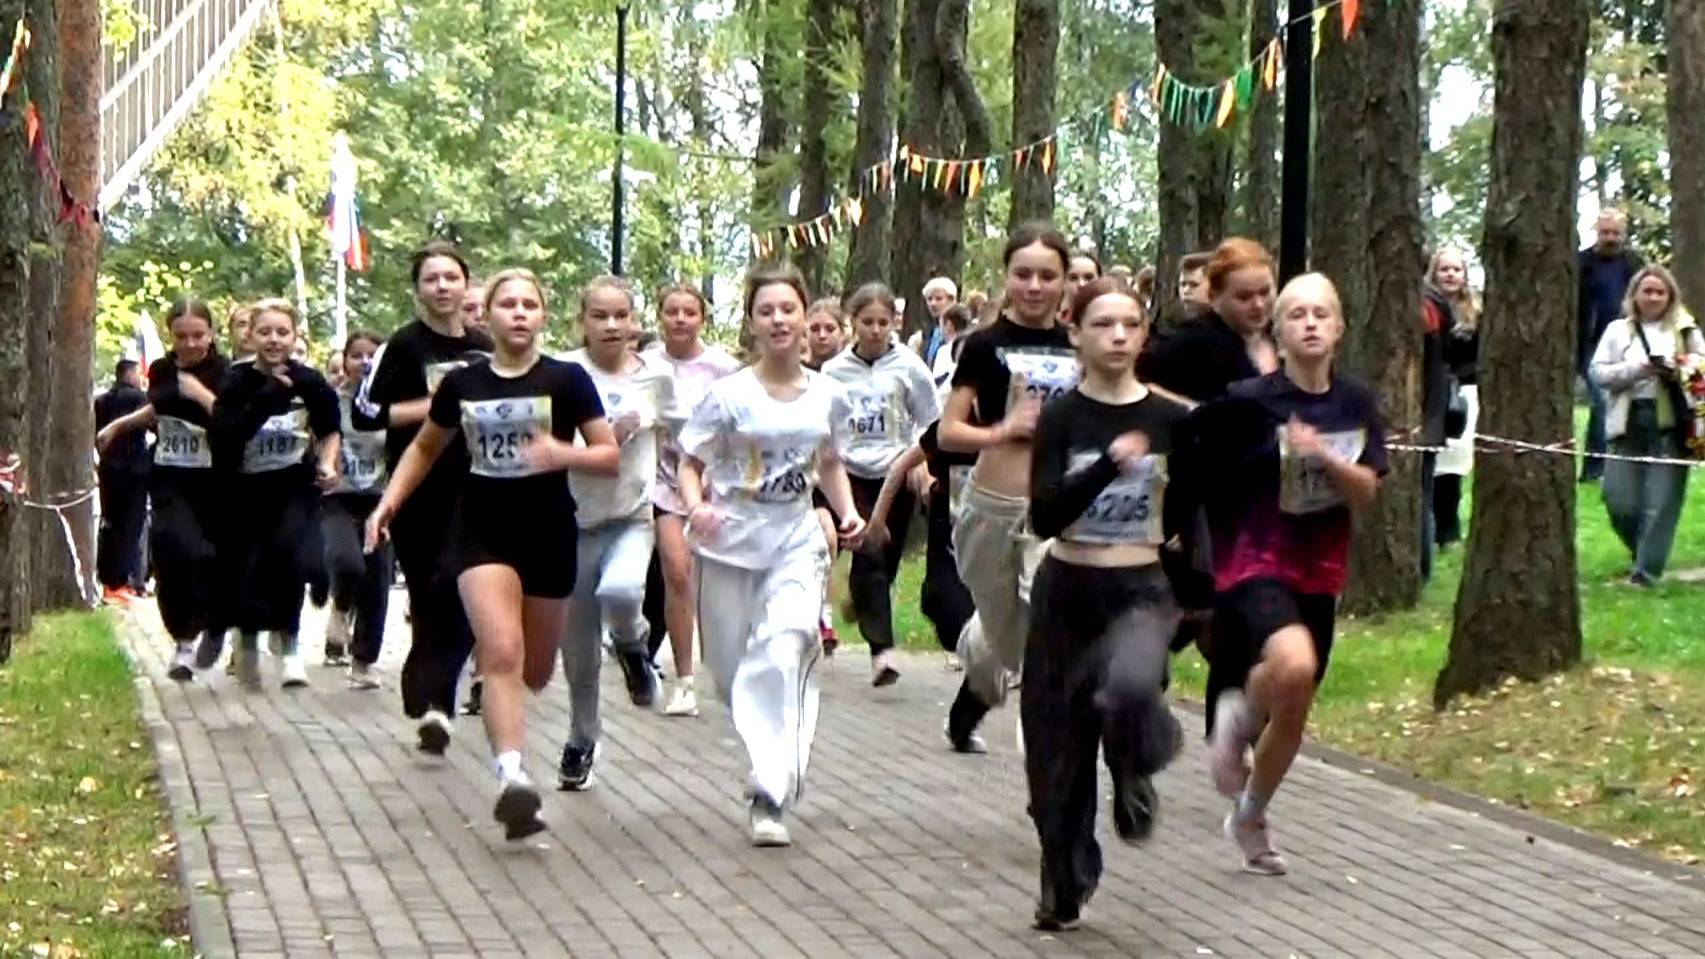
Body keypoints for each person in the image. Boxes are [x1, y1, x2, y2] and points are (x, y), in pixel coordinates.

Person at [366, 268, 618, 839]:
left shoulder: (567, 378)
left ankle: (512, 756)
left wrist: (561, 454)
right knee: (501, 651)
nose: (519, 313)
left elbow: (607, 455)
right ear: (489, 314)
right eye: (508, 304)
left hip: (549, 533)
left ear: (543, 315)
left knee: (536, 670)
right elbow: (424, 448)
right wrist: (388, 505)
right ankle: (512, 779)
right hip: (480, 531)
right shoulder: (464, 384)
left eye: (530, 304)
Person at [1194, 272, 1386, 876]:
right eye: (1297, 314)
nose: (1309, 324)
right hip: (1254, 559)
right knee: (1294, 664)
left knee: (1294, 696)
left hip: (1319, 568)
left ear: (1339, 327)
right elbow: (1201, 464)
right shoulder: (1249, 400)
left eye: (1320, 314)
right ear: (1278, 330)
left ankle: (1250, 811)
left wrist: (1322, 456)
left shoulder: (1355, 403)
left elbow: (1367, 492)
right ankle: (1240, 721)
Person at [676, 265, 866, 846]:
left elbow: (828, 461)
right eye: (767, 311)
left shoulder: (828, 394)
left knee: (784, 650)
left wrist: (846, 511)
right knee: (731, 676)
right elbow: (691, 463)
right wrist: (695, 507)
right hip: (731, 542)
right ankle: (768, 768)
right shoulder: (728, 396)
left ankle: (770, 789)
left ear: (805, 317)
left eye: (789, 309)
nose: (779, 320)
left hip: (794, 539)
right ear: (752, 322)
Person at [1024, 277, 1192, 930]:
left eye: (1130, 324)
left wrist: (1199, 588)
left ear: (1144, 334)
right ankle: (1064, 884)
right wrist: (1105, 467)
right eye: (1102, 324)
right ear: (1075, 333)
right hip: (1067, 591)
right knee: (1057, 755)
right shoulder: (1062, 417)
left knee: (1129, 688)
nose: (1118, 336)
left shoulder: (1169, 419)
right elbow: (1044, 517)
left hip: (1140, 589)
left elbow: (1193, 509)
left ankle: (1133, 766)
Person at [353, 240, 494, 754]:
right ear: (417, 289)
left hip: (478, 486)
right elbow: (366, 414)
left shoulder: (484, 346)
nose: (442, 287)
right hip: (419, 488)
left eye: (451, 277)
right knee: (429, 590)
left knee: (465, 589)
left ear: (466, 284)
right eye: (431, 279)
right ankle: (425, 676)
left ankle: (438, 705)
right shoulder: (403, 346)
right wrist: (436, 406)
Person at [940, 221, 1076, 753]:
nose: (1035, 286)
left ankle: (1045, 744)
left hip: (1055, 507)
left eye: (1047, 275)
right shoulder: (983, 345)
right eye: (1023, 274)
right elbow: (949, 432)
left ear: (1064, 280)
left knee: (1045, 619)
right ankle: (977, 678)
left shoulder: (1080, 342)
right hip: (990, 508)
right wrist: (1004, 429)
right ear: (1006, 277)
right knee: (1000, 631)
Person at [556, 276, 675, 790]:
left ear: (634, 321)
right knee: (579, 651)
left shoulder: (657, 376)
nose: (610, 325)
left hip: (630, 516)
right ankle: (582, 738)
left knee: (623, 591)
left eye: (620, 315)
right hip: (571, 523)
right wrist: (600, 437)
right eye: (599, 316)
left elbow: (683, 432)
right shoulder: (562, 371)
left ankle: (632, 646)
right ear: (581, 321)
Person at [208, 299, 342, 689]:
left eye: (283, 332)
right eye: (264, 331)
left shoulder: (309, 381)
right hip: (245, 490)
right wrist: (264, 400)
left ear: (295, 336)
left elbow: (330, 428)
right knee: (249, 569)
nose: (274, 340)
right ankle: (247, 640)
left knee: (290, 559)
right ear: (250, 336)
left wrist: (328, 463)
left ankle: (291, 649)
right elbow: (225, 435)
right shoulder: (235, 381)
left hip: (293, 486)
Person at [95, 299, 230, 681]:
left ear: (211, 333)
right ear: (170, 335)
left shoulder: (226, 372)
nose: (190, 344)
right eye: (181, 336)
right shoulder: (160, 370)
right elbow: (158, 409)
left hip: (213, 481)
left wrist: (198, 392)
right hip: (170, 475)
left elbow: (233, 420)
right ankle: (183, 642)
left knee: (206, 555)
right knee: (171, 552)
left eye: (198, 335)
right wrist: (119, 425)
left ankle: (213, 621)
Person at [822, 282, 941, 686]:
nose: (875, 330)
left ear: (895, 323)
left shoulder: (909, 366)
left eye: (882, 322)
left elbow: (930, 421)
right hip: (851, 472)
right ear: (852, 322)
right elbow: (824, 423)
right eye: (867, 322)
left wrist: (920, 462)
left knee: (883, 564)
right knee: (868, 551)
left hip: (896, 471)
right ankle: (882, 654)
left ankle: (861, 604)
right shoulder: (834, 371)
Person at [643, 284, 742, 717]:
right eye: (672, 311)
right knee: (677, 573)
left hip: (716, 485)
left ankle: (729, 667)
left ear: (702, 318)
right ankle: (683, 680)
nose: (681, 319)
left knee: (718, 584)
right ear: (660, 316)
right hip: (665, 480)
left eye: (689, 312)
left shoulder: (724, 369)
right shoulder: (646, 366)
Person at [1590, 265, 1704, 587]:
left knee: (1661, 505)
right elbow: (1598, 373)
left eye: (1660, 292)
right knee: (1619, 501)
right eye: (1647, 291)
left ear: (1670, 296)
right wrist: (1637, 369)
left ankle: (1645, 574)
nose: (1653, 297)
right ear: (1635, 295)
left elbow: (1701, 371)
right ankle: (1642, 551)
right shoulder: (1617, 331)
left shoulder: (1686, 330)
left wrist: (1677, 368)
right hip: (1626, 424)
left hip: (1672, 425)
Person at [322, 331, 393, 687]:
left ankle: (363, 661)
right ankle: (340, 606)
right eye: (357, 355)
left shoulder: (393, 404)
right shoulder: (330, 402)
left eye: (373, 356)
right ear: (345, 360)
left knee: (377, 581)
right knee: (347, 562)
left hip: (380, 500)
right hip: (337, 497)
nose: (365, 363)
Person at [1578, 208, 1644, 483]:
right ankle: (1594, 469)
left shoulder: (1633, 262)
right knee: (1602, 402)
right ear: (1596, 231)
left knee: (1627, 404)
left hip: (1625, 343)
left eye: (1615, 233)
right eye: (1605, 232)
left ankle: (1622, 466)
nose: (1610, 238)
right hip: (1590, 344)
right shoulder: (1582, 263)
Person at [1430, 249, 1480, 549]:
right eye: (1444, 269)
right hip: (1432, 390)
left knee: (1453, 462)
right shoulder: (1424, 308)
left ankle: (1448, 530)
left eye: (1456, 269)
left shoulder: (1476, 313)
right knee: (1431, 462)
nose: (1450, 275)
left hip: (1464, 393)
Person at [94, 359, 151, 605]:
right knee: (132, 524)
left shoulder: (101, 401)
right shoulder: (139, 398)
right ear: (130, 375)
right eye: (138, 373)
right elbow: (151, 424)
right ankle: (122, 580)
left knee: (109, 523)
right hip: (135, 468)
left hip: (109, 467)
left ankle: (108, 580)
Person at [908, 277, 960, 363]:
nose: (933, 303)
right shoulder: (929, 333)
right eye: (929, 299)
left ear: (952, 300)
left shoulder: (963, 329)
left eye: (939, 298)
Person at [1062, 250, 1102, 320]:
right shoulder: (1051, 322)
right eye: (1073, 278)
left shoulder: (1113, 319)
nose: (1081, 284)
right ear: (1063, 282)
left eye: (1089, 278)